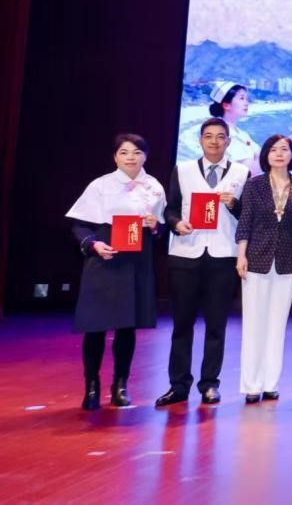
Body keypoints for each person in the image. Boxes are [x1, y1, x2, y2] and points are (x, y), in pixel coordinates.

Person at [155, 118, 249, 408]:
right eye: (208, 136)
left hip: (223, 256)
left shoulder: (242, 172)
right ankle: (178, 385)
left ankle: (209, 384)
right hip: (186, 254)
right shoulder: (182, 170)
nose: (214, 142)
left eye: (220, 137)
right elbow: (170, 209)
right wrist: (176, 223)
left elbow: (248, 216)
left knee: (216, 325)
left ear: (228, 141)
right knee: (182, 324)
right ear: (200, 140)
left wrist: (234, 204)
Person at [66, 134, 164, 409]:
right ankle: (91, 387)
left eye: (137, 152)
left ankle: (120, 385)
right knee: (95, 326)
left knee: (126, 326)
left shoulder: (154, 186)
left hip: (136, 259)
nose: (131, 157)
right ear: (115, 157)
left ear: (145, 156)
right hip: (104, 256)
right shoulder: (101, 185)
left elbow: (160, 229)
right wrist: (94, 244)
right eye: (124, 152)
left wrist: (155, 226)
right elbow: (79, 226)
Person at [235, 134, 292, 402]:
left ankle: (270, 383)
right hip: (256, 258)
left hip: (289, 260)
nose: (279, 153)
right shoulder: (254, 185)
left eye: (284, 149)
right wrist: (241, 255)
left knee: (277, 324)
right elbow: (245, 221)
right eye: (274, 149)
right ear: (266, 154)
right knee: (254, 323)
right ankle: (251, 385)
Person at [206, 81, 292, 176]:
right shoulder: (220, 135)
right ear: (226, 105)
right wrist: (285, 143)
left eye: (246, 99)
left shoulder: (242, 134)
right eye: (241, 98)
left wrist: (288, 140)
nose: (247, 103)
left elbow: (261, 154)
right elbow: (247, 171)